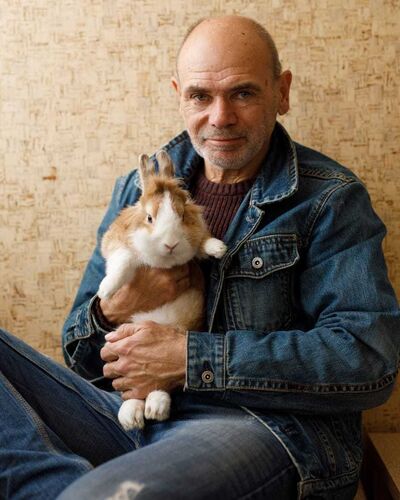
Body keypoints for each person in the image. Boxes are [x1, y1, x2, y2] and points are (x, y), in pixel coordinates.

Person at [1, 14, 399, 500]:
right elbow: (79, 355)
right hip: (132, 416)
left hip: (260, 429)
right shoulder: (137, 192)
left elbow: (367, 358)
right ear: (179, 95)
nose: (220, 116)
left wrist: (188, 359)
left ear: (282, 92)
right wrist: (113, 309)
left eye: (243, 93)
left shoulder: (329, 199)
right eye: (200, 96)